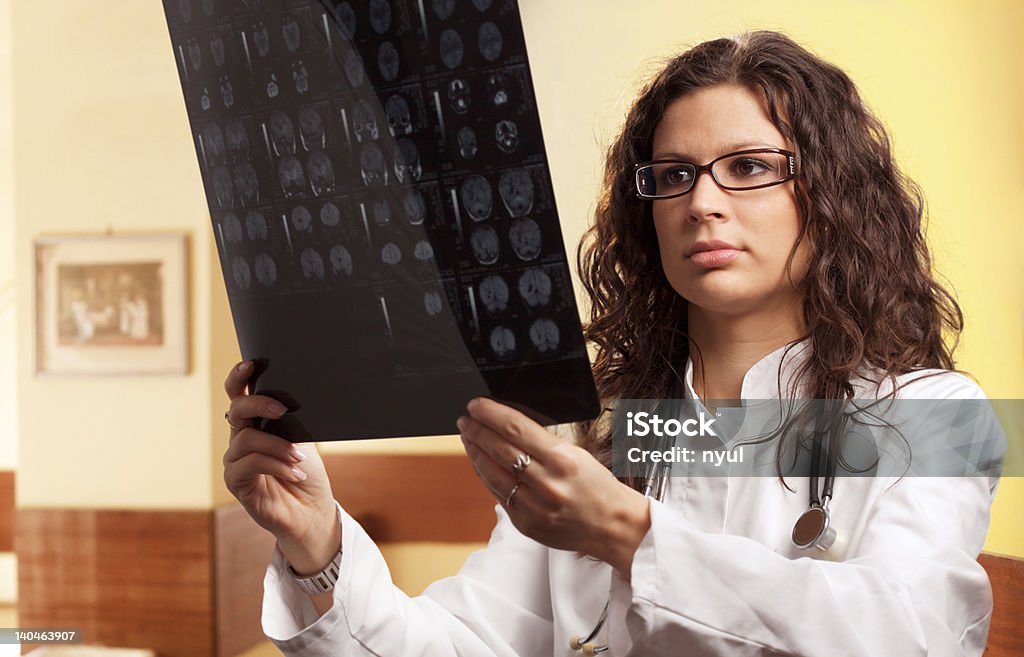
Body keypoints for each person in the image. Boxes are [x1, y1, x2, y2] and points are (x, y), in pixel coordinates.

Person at [222, 31, 1001, 656]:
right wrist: (315, 539)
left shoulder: (936, 416)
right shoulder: (601, 436)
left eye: (750, 167)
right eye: (674, 174)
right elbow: (463, 641)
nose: (702, 202)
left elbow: (909, 632)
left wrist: (626, 533)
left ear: (830, 197)